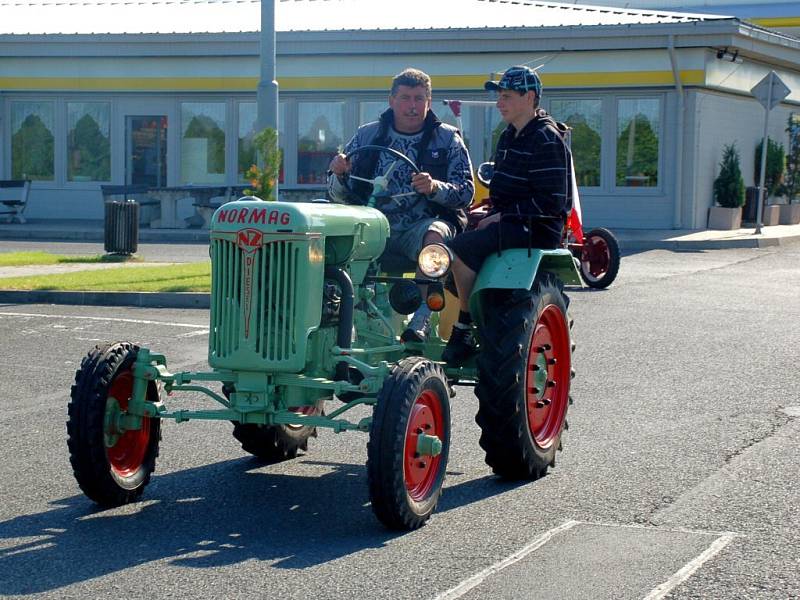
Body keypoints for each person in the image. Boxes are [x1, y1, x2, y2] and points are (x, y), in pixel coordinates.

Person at [327, 68, 474, 342]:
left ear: (429, 102)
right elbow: (337, 196)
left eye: (419, 98)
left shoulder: (448, 139)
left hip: (420, 227)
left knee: (435, 236)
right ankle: (349, 320)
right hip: (373, 227)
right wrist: (339, 174)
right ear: (391, 100)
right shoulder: (367, 136)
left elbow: (466, 193)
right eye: (405, 98)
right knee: (331, 241)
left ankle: (421, 319)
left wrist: (434, 188)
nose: (412, 106)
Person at [442, 65, 573, 365]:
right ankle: (470, 310)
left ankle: (464, 324)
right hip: (510, 219)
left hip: (535, 227)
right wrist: (488, 212)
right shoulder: (509, 136)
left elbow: (551, 203)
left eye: (507, 96)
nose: (500, 103)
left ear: (529, 97)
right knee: (447, 240)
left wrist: (502, 217)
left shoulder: (546, 139)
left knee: (459, 250)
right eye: (499, 96)